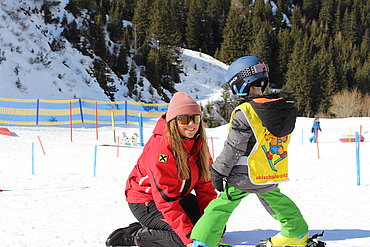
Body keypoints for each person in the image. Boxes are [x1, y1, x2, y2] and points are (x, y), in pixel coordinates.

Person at [190, 56, 309, 247]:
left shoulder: (246, 111)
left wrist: (219, 170)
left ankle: (202, 241)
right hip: (270, 171)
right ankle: (297, 231)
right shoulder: (277, 108)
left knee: (221, 206)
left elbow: (234, 147)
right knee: (277, 201)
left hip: (244, 174)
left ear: (240, 83)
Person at [106, 92, 217, 247]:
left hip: (176, 196)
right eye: (184, 119)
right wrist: (188, 238)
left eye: (196, 118)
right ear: (173, 121)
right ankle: (134, 236)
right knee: (184, 238)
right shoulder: (161, 148)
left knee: (210, 229)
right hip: (147, 201)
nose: (191, 124)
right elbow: (165, 200)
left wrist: (213, 226)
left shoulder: (198, 145)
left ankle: (159, 228)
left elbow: (206, 189)